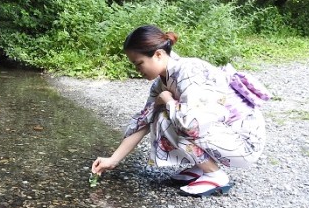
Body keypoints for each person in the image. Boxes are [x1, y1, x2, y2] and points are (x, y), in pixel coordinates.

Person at [91, 25, 269, 197]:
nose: (138, 70)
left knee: (166, 117)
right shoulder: (160, 83)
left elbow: (192, 124)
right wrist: (113, 160)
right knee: (160, 114)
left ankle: (215, 176)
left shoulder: (189, 71)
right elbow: (143, 121)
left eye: (139, 64)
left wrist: (168, 100)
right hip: (221, 135)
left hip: (243, 141)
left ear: (158, 54)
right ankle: (201, 167)